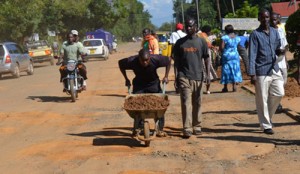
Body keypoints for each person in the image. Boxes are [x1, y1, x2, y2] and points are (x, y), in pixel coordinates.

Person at [118, 48, 171, 137]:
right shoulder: (132, 61)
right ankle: (140, 127)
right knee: (137, 107)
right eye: (142, 60)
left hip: (153, 83)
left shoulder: (156, 59)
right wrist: (126, 79)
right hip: (139, 84)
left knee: (160, 105)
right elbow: (120, 63)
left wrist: (166, 76)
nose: (145, 62)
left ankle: (160, 129)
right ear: (139, 58)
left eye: (147, 60)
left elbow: (168, 60)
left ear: (150, 58)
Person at [248, 9, 285, 135]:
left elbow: (277, 48)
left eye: (267, 17)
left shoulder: (275, 32)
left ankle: (267, 117)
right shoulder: (255, 34)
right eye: (262, 17)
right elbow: (252, 54)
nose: (265, 20)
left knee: (279, 93)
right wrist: (252, 74)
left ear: (270, 18)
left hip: (274, 68)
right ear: (259, 19)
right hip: (261, 70)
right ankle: (265, 125)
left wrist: (280, 51)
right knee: (262, 99)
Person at [173, 18, 210, 138]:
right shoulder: (179, 43)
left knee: (198, 102)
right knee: (186, 103)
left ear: (196, 27)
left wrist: (208, 75)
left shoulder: (201, 42)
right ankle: (187, 127)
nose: (188, 28)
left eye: (190, 26)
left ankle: (197, 125)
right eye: (187, 26)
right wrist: (176, 77)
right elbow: (176, 62)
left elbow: (207, 58)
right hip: (184, 76)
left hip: (198, 76)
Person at [270, 13, 289, 114]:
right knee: (276, 84)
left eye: (275, 20)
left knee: (284, 82)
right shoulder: (268, 32)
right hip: (273, 62)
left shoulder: (281, 30)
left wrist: (285, 59)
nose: (274, 22)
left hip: (282, 61)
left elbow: (285, 45)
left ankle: (276, 102)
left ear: (278, 20)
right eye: (272, 20)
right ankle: (277, 105)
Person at [219, 24, 243, 92]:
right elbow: (238, 47)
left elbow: (222, 48)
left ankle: (225, 87)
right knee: (235, 70)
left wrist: (221, 51)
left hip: (227, 56)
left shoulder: (225, 38)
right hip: (235, 55)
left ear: (226, 30)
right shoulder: (237, 38)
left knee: (226, 70)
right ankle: (234, 86)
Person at [197, 25, 218, 94]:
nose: (210, 32)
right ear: (208, 31)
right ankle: (207, 90)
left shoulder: (197, 35)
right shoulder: (204, 35)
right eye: (210, 31)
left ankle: (198, 89)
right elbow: (208, 45)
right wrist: (213, 47)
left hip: (198, 56)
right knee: (208, 72)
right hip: (205, 56)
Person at [170, 23, 187, 93]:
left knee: (176, 70)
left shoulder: (174, 34)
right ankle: (184, 86)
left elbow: (173, 44)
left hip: (177, 54)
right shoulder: (185, 34)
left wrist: (171, 54)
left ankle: (177, 87)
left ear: (176, 28)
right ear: (182, 28)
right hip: (184, 54)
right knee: (184, 70)